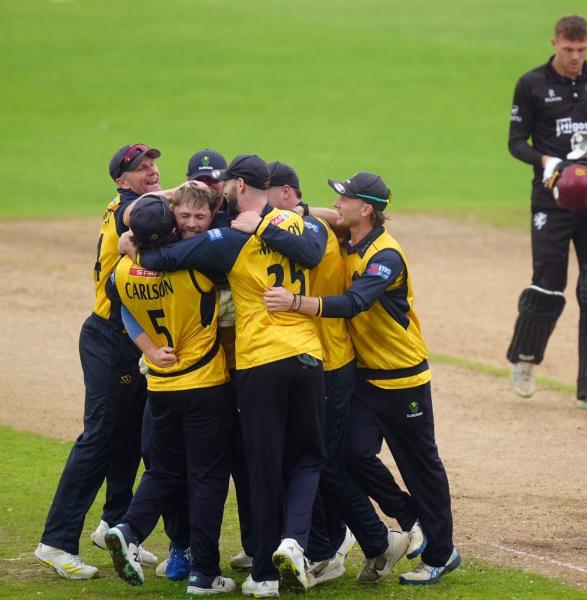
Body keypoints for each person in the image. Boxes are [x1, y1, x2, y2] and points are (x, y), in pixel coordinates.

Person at [124, 154, 325, 596]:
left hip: (256, 362)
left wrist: (137, 246)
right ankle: (295, 543)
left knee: (262, 465)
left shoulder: (229, 238)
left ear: (236, 186)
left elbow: (170, 257)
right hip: (310, 357)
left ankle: (264, 573)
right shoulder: (302, 224)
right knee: (308, 458)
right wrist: (272, 226)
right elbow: (313, 250)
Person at [263, 172, 461, 586]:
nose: (336, 204)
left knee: (421, 464)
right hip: (364, 376)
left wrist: (296, 303)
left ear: (366, 209)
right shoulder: (350, 237)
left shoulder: (385, 257)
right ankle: (408, 516)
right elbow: (318, 215)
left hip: (402, 376)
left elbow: (354, 303)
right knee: (348, 455)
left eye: (344, 199)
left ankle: (441, 554)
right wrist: (293, 210)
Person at [34, 144, 161, 579]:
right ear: (121, 180)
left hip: (129, 338)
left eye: (152, 165)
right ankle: (56, 542)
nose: (151, 172)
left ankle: (115, 524)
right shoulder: (130, 209)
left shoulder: (129, 204)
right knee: (100, 437)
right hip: (110, 338)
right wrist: (199, 189)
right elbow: (145, 211)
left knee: (130, 436)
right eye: (141, 169)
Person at [103, 192, 235, 595]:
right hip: (204, 386)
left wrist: (146, 348)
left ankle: (128, 529)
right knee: (208, 479)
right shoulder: (198, 269)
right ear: (173, 226)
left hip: (159, 386)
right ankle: (205, 574)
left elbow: (117, 301)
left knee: (161, 471)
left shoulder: (123, 271)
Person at [506, 14, 587, 411]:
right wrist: (546, 161)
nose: (576, 57)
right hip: (552, 197)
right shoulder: (532, 84)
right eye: (569, 49)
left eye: (582, 50)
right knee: (548, 283)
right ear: (554, 43)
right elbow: (515, 142)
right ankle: (525, 358)